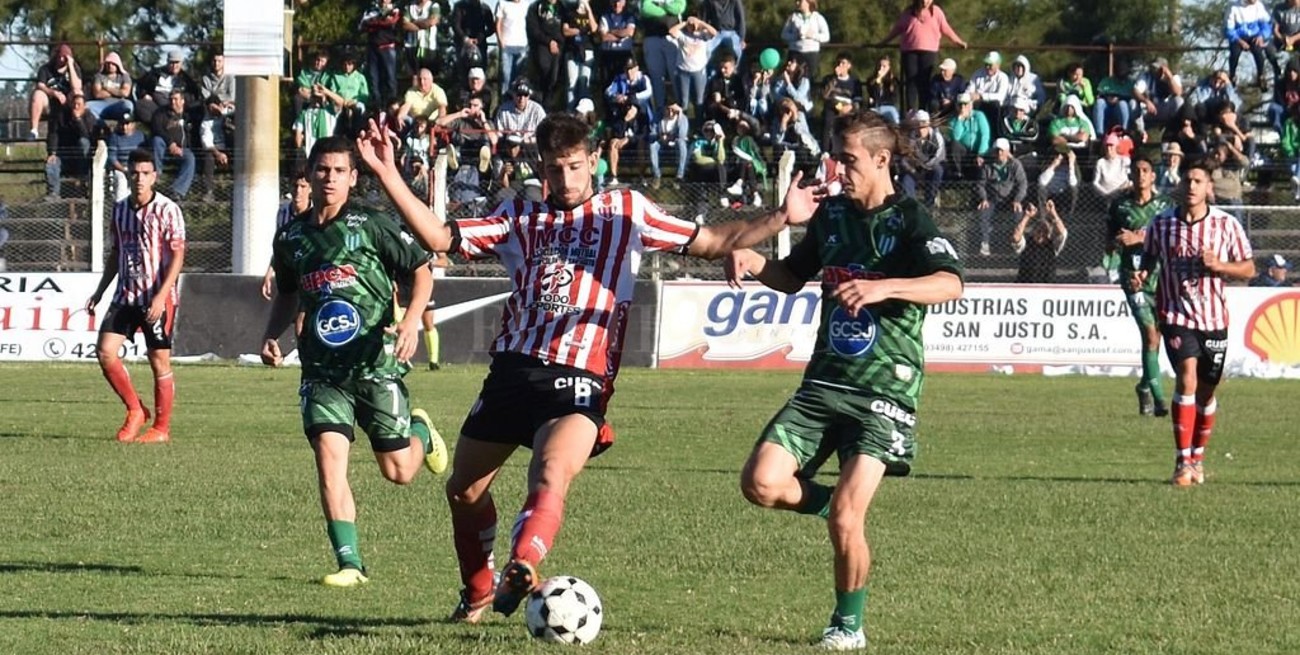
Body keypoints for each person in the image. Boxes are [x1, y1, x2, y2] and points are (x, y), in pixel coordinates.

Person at [356, 110, 827, 624]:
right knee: (463, 491)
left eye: (576, 167)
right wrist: (388, 175)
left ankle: (523, 562)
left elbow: (712, 242)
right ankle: (478, 593)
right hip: (513, 372)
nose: (566, 180)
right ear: (542, 167)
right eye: (555, 170)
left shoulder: (626, 211)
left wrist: (781, 217)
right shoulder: (520, 215)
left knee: (552, 470)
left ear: (594, 162)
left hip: (580, 378)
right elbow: (441, 238)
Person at [723, 109, 964, 651]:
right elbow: (791, 277)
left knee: (848, 519)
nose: (840, 168)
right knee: (759, 484)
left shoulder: (910, 219)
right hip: (824, 383)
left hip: (885, 393)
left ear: (882, 160)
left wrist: (885, 288)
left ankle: (847, 625)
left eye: (849, 159)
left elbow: (950, 284)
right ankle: (840, 508)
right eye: (837, 156)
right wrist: (754, 261)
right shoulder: (831, 216)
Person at [260, 136, 450, 587]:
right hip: (322, 373)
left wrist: (410, 324)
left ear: (353, 178)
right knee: (329, 461)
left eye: (339, 171)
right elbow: (288, 291)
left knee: (399, 471)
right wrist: (271, 334)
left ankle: (420, 429)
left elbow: (422, 271)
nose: (329, 178)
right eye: (322, 170)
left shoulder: (372, 224)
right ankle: (351, 565)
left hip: (375, 365)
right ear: (308, 174)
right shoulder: (292, 237)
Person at [1133, 156, 1255, 486]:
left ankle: (1198, 458)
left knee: (1207, 390)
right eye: (1187, 180)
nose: (1191, 186)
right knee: (1186, 378)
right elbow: (1148, 259)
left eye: (1198, 181)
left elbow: (1248, 269)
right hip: (1176, 314)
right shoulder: (1162, 224)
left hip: (1214, 318)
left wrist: (1220, 267)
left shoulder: (1226, 225)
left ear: (1209, 189)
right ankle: (1181, 461)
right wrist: (1141, 274)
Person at [84, 149, 187, 444]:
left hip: (156, 297)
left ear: (154, 176)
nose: (139, 178)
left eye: (145, 173)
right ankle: (135, 410)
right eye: (135, 172)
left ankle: (161, 429)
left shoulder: (168, 210)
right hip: (125, 294)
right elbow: (116, 252)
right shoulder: (119, 210)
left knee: (159, 360)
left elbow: (178, 257)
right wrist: (100, 291)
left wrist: (161, 296)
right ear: (128, 175)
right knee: (105, 352)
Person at [1107, 154, 1176, 417]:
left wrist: (1138, 237)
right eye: (1136, 170)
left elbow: (1169, 237)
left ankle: (1144, 387)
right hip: (1132, 277)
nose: (1141, 175)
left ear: (1152, 175)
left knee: (1157, 339)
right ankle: (1160, 402)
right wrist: (1117, 242)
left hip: (1161, 278)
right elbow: (1110, 242)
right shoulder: (1119, 206)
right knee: (1149, 334)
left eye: (1145, 170)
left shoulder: (1165, 205)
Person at [880, 0, 967, 113]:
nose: (926, 1)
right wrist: (884, 42)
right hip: (910, 51)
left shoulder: (936, 12)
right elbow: (898, 29)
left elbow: (946, 28)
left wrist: (958, 41)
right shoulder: (909, 12)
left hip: (929, 51)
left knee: (924, 82)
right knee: (911, 82)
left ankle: (922, 111)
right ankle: (910, 111)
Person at [262, 170, 314, 300]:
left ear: (310, 189)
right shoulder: (283, 212)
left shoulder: (316, 213)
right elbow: (280, 247)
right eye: (295, 186)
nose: (298, 191)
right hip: (291, 272)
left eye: (303, 187)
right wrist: (269, 272)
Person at [975, 137, 1026, 256]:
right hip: (992, 199)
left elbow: (1022, 183)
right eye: (997, 150)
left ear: (1008, 151)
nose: (999, 153)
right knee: (983, 212)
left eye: (1002, 150)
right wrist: (984, 199)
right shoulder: (987, 166)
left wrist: (1017, 200)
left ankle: (1017, 243)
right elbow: (980, 184)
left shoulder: (1016, 165)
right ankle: (985, 243)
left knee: (1018, 213)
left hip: (1011, 199)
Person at [28, 44, 83, 140]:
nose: (61, 60)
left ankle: (79, 123)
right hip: (49, 102)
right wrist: (53, 93)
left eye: (64, 57)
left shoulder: (74, 68)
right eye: (59, 57)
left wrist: (70, 66)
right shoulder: (45, 69)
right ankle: (34, 130)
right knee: (37, 94)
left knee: (78, 93)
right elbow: (40, 85)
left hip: (68, 102)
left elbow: (77, 87)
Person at [1011, 201, 1067, 283]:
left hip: (1047, 287)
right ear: (1033, 231)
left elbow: (1062, 233)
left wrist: (1053, 213)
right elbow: (1016, 237)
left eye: (1045, 231)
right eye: (1038, 231)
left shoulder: (1053, 246)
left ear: (1049, 234)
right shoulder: (1026, 244)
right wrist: (1027, 216)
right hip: (1025, 285)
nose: (1041, 234)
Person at [781, 0, 830, 79]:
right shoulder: (793, 17)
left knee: (809, 78)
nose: (797, 3)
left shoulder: (818, 18)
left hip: (811, 55)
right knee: (793, 77)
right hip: (795, 53)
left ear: (808, 2)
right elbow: (784, 35)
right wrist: (796, 36)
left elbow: (826, 36)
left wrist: (812, 35)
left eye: (800, 1)